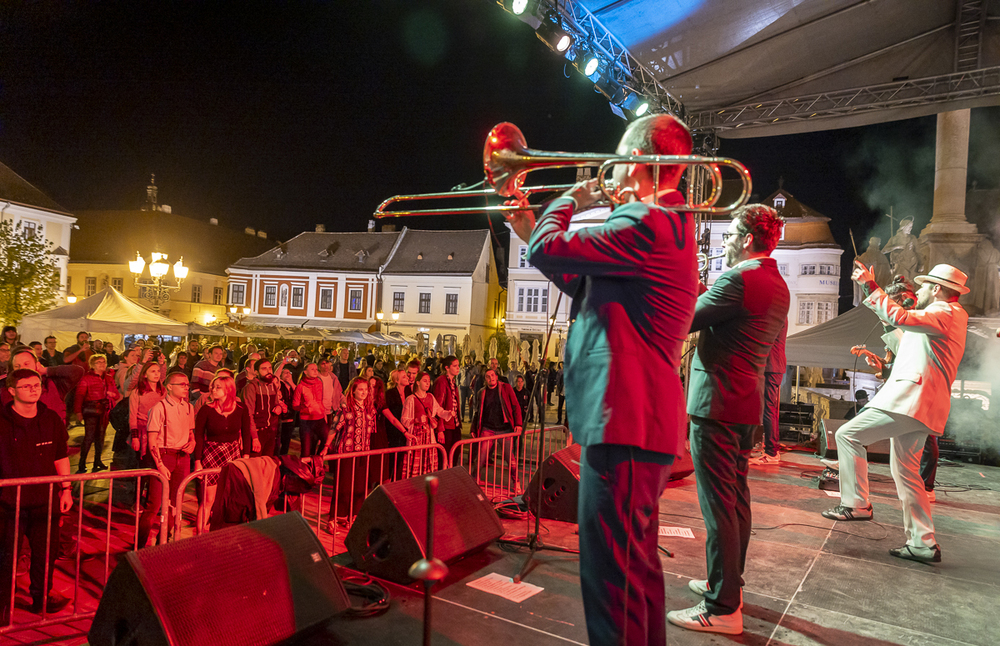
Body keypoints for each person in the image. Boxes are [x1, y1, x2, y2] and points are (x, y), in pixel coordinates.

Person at [507, 113, 698, 645]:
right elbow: (580, 280)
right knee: (632, 577)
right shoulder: (667, 226)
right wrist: (527, 220)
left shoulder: (646, 222)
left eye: (617, 159)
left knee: (612, 583)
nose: (608, 172)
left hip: (627, 421)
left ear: (639, 162)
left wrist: (572, 199)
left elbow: (553, 249)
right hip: (636, 421)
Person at [668, 204, 789, 635]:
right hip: (745, 405)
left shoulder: (738, 279)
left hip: (716, 404)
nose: (724, 241)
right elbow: (728, 316)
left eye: (730, 234)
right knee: (736, 500)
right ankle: (727, 583)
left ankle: (722, 608)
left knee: (718, 506)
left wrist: (682, 280)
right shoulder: (775, 283)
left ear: (748, 240)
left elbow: (684, 320)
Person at [821, 263, 968, 566]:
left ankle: (856, 504)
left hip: (911, 399)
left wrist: (869, 286)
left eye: (925, 286)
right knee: (906, 472)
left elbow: (900, 317)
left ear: (937, 289)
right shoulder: (944, 317)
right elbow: (905, 339)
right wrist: (886, 320)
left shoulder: (945, 312)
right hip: (920, 404)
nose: (920, 291)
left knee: (848, 435)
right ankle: (922, 543)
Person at [0, 369, 73, 623]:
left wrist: (66, 489)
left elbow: (60, 455)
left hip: (46, 500)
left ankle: (41, 599)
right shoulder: (1, 420)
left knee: (45, 554)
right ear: (11, 391)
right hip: (8, 503)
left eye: (37, 385)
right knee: (6, 557)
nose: (34, 389)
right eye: (26, 386)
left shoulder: (51, 418)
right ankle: (2, 607)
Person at [137, 371, 195, 547]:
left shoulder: (189, 407)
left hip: (182, 457)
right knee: (154, 505)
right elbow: (152, 440)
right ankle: (139, 545)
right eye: (182, 384)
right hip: (164, 455)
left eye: (187, 384)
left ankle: (165, 542)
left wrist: (192, 443)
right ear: (169, 387)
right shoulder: (159, 408)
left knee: (175, 503)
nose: (186, 388)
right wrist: (160, 464)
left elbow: (191, 432)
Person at [194, 374, 252, 534]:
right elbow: (198, 435)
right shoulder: (206, 410)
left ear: (229, 389)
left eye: (217, 387)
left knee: (230, 498)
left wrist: (246, 457)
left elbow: (246, 434)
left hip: (233, 453)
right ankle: (199, 535)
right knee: (208, 500)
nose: (212, 390)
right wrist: (197, 461)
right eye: (212, 386)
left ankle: (224, 533)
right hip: (211, 454)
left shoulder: (241, 408)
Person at [320, 377, 377, 524]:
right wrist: (326, 446)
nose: (364, 392)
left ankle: (354, 515)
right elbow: (334, 428)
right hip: (346, 451)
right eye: (361, 389)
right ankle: (334, 517)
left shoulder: (370, 409)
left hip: (363, 452)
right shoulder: (345, 408)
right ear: (353, 391)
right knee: (343, 485)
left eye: (366, 390)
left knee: (360, 486)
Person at [3, 346, 83, 428]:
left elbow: (77, 371)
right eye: (17, 366)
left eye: (26, 364)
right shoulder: (7, 389)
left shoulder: (53, 383)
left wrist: (46, 370)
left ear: (37, 364)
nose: (22, 368)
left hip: (53, 433)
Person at [470, 367, 523, 490]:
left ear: (496, 376)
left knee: (510, 459)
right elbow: (478, 412)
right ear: (485, 380)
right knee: (481, 457)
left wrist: (518, 424)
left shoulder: (505, 388)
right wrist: (473, 428)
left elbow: (515, 405)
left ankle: (516, 482)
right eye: (488, 377)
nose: (491, 378)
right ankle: (474, 480)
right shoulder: (481, 393)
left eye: (492, 375)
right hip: (488, 428)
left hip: (505, 429)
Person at [73, 354, 122, 473]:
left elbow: (117, 394)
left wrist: (112, 395)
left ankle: (97, 461)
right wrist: (78, 412)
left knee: (100, 437)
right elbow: (79, 395)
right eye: (98, 362)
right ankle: (82, 463)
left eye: (103, 362)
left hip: (104, 410)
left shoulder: (109, 378)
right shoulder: (86, 378)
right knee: (89, 437)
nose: (102, 364)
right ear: (92, 365)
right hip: (91, 410)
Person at [749, 319, 788, 466]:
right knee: (768, 409)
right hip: (772, 365)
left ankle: (771, 453)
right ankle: (770, 450)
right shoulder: (778, 312)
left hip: (771, 365)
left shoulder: (777, 314)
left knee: (769, 409)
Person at [400, 371, 452, 478]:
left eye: (429, 381)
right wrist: (415, 420)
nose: (427, 383)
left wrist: (448, 413)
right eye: (425, 381)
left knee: (429, 463)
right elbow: (404, 419)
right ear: (418, 383)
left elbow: (439, 411)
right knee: (415, 464)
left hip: (429, 436)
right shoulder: (410, 399)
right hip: (416, 437)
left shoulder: (431, 397)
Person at [242, 358, 285, 457]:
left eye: (270, 368)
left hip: (270, 432)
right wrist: (254, 437)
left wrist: (279, 407)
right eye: (264, 369)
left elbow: (276, 404)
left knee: (267, 462)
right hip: (257, 432)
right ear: (256, 372)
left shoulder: (272, 386)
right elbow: (249, 414)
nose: (269, 371)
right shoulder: (251, 387)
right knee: (255, 464)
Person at [128, 360, 166, 462]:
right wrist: (135, 437)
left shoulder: (163, 392)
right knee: (146, 463)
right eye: (153, 371)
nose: (157, 374)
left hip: (161, 432)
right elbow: (132, 417)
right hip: (143, 431)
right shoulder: (137, 392)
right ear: (145, 374)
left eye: (158, 371)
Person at [293, 363, 327, 457]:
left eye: (316, 369)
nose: (316, 371)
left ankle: (316, 462)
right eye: (312, 369)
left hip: (319, 418)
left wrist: (323, 413)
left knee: (327, 442)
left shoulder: (319, 382)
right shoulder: (301, 386)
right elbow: (295, 405)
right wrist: (305, 407)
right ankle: (305, 470)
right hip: (306, 421)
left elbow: (320, 400)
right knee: (306, 450)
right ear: (305, 372)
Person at [432, 355, 462, 457]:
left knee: (455, 452)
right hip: (446, 425)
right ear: (447, 367)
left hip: (455, 423)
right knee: (445, 455)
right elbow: (438, 405)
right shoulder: (441, 381)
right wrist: (440, 429)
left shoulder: (453, 382)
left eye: (458, 365)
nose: (458, 368)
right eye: (455, 366)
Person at [276, 364, 298, 456]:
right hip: (280, 418)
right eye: (285, 373)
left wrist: (292, 383)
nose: (287, 374)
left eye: (289, 373)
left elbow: (299, 394)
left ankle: (284, 460)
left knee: (286, 442)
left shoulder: (292, 386)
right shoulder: (279, 384)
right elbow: (275, 376)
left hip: (290, 417)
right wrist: (283, 363)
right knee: (278, 442)